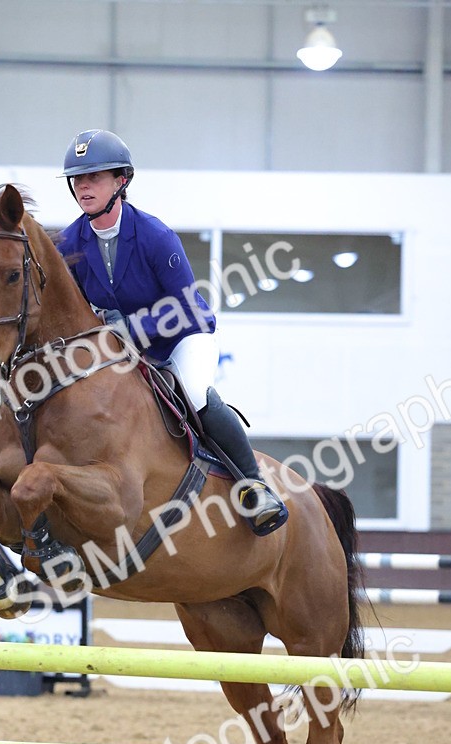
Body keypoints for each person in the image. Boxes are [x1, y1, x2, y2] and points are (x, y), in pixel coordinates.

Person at [57, 129, 288, 536]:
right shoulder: (70, 243)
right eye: (78, 179)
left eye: (94, 177)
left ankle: (255, 486)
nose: (83, 186)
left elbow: (183, 305)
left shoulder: (154, 235)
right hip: (121, 349)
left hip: (182, 337)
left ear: (121, 181)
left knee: (195, 393)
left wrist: (127, 328)